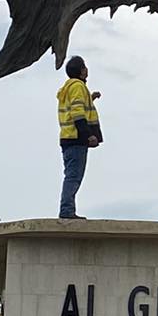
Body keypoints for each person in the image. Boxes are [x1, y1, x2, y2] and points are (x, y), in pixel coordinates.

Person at [56, 55, 101, 219]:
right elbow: (77, 113)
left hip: (68, 138)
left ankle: (67, 210)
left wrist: (91, 98)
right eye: (85, 67)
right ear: (82, 71)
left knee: (72, 175)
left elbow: (77, 107)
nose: (87, 70)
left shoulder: (70, 88)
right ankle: (67, 211)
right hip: (76, 139)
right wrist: (88, 135)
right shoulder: (78, 87)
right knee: (73, 176)